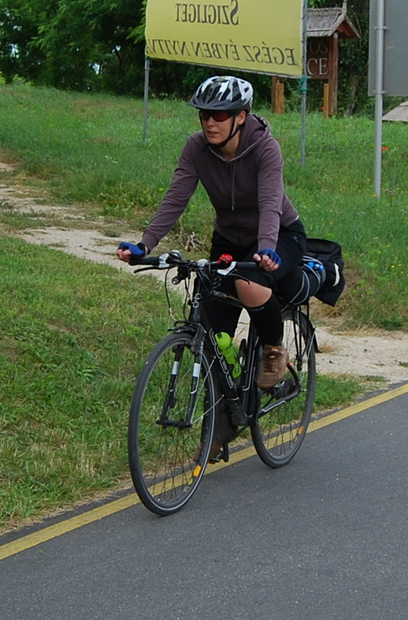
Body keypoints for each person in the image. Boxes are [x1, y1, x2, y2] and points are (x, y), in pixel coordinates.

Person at [117, 74, 307, 390]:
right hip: (229, 239)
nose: (210, 123)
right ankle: (219, 431)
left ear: (241, 117)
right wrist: (144, 243)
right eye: (204, 114)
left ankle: (273, 350)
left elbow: (271, 203)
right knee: (214, 336)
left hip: (280, 235)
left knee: (247, 285)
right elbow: (176, 197)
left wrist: (266, 246)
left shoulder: (265, 148)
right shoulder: (196, 148)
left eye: (219, 115)